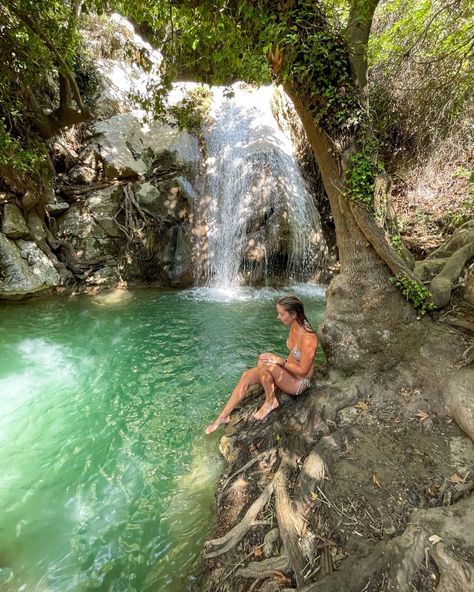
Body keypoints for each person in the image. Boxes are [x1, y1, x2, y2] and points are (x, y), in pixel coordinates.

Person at [205, 294, 318, 435]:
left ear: (293, 314)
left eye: (281, 314)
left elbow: (302, 371)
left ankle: (271, 401)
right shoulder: (295, 324)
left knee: (264, 364)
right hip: (288, 371)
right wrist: (277, 363)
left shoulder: (309, 338)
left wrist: (279, 361)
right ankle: (223, 416)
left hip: (299, 382)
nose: (278, 317)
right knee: (247, 375)